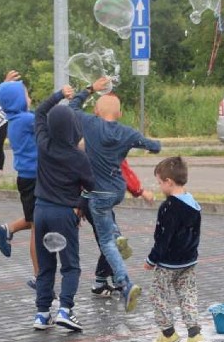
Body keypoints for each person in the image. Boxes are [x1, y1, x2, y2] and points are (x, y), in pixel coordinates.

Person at [69, 76, 161, 313]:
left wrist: (91, 89)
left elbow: (72, 107)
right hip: (116, 191)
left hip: (98, 194)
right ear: (119, 114)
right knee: (93, 205)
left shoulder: (89, 124)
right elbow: (154, 146)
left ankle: (124, 283)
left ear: (97, 111)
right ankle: (117, 234)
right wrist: (150, 143)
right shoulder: (127, 132)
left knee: (106, 242)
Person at [31, 85, 95, 332]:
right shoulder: (78, 157)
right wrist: (80, 206)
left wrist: (58, 95)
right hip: (63, 214)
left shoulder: (43, 144)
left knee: (46, 265)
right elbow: (90, 186)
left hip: (41, 212)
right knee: (70, 265)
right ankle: (65, 310)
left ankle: (41, 313)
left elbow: (39, 113)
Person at [144, 156, 206, 342]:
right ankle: (194, 334)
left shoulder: (169, 207)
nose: (159, 186)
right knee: (187, 295)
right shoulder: (193, 203)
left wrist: (151, 259)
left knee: (157, 294)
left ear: (169, 182)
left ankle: (168, 333)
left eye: (160, 182)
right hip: (189, 260)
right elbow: (195, 233)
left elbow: (163, 237)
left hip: (168, 262)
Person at [0, 71, 39, 290]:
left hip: (28, 178)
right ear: (19, 100)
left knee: (35, 220)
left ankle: (8, 228)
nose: (29, 98)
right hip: (34, 179)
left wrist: (5, 86)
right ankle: (39, 276)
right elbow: (48, 120)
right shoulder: (27, 119)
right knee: (38, 226)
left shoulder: (15, 118)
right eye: (26, 94)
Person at [87, 159, 155, 297]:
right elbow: (123, 170)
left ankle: (113, 281)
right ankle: (108, 283)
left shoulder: (91, 142)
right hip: (97, 200)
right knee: (112, 243)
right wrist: (140, 191)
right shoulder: (110, 144)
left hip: (91, 198)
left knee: (113, 241)